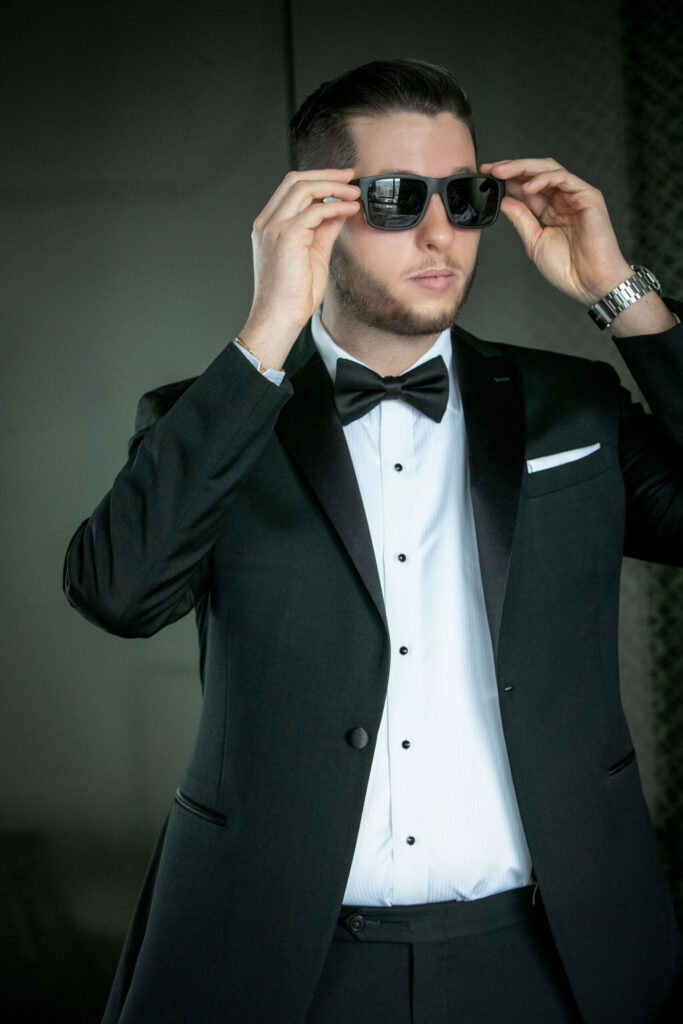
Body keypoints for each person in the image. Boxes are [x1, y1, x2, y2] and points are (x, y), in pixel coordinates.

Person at [63, 58, 683, 1023]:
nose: (440, 234)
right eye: (396, 199)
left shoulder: (576, 411)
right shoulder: (208, 421)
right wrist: (269, 330)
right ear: (315, 214)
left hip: (554, 957)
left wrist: (618, 289)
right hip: (272, 962)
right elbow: (117, 594)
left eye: (465, 197)